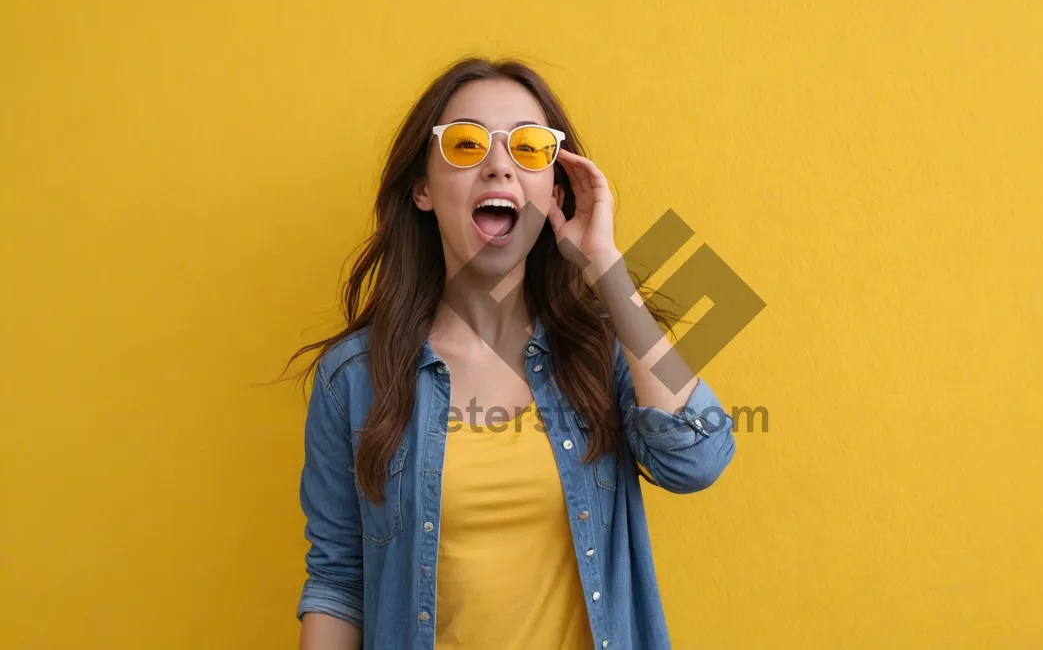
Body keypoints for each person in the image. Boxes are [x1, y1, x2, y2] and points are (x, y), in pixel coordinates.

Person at [287, 57, 736, 650]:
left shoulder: (597, 351)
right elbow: (339, 581)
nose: (499, 164)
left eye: (527, 148)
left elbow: (697, 460)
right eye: (467, 144)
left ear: (554, 190)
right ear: (422, 188)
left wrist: (606, 270)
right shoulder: (353, 379)